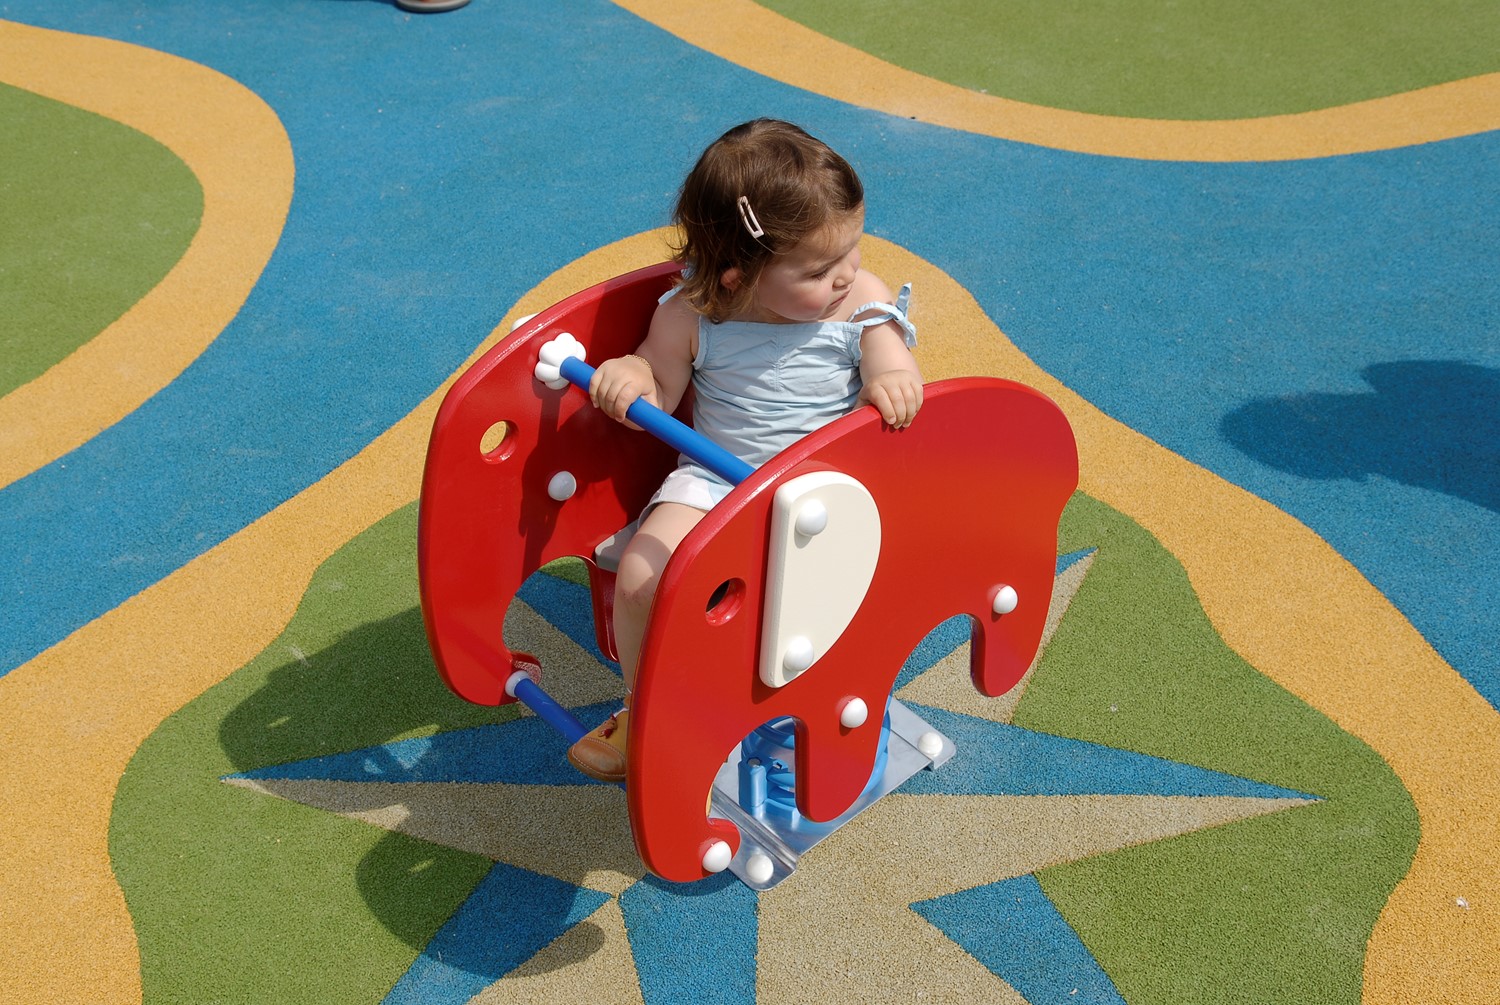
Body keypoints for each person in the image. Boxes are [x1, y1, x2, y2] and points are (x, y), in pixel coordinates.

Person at [567, 118, 923, 782]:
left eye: (853, 248)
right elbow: (658, 386)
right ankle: (645, 713)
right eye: (819, 268)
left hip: (825, 488)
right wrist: (633, 375)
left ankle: (822, 710)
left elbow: (891, 362)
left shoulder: (861, 303)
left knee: (819, 608)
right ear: (736, 273)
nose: (847, 273)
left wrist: (893, 379)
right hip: (715, 479)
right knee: (642, 574)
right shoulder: (689, 315)